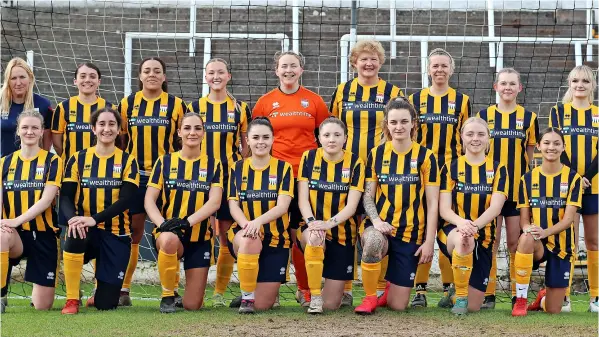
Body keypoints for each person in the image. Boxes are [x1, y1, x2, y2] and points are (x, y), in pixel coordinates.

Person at [252, 51, 329, 307]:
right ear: (276, 71)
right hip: (273, 177)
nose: (288, 70)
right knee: (271, 231)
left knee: (299, 234)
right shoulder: (265, 102)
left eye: (293, 66)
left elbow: (326, 138)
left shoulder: (314, 101)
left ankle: (305, 289)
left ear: (301, 70)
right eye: (283, 66)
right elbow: (255, 139)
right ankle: (266, 288)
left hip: (305, 178)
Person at [329, 40, 403, 306]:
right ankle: (347, 287)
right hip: (346, 170)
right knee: (347, 226)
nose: (368, 63)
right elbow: (333, 127)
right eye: (363, 59)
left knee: (380, 225)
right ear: (354, 62)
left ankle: (381, 287)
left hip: (381, 170)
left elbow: (400, 127)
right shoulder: (342, 91)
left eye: (373, 58)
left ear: (380, 62)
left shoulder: (393, 92)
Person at [354, 97, 439, 315]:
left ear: (413, 123)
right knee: (372, 240)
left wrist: (429, 242)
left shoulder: (426, 156)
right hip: (381, 227)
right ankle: (370, 297)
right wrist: (376, 221)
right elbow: (368, 196)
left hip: (411, 232)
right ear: (387, 125)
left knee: (398, 306)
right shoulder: (377, 153)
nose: (398, 127)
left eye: (403, 121)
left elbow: (432, 203)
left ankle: (388, 290)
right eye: (393, 122)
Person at [118, 57, 188, 306]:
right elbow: (123, 141)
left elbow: (183, 141)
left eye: (157, 71)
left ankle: (172, 290)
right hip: (137, 178)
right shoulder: (127, 104)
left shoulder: (177, 105)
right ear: (139, 76)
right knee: (134, 233)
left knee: (170, 232)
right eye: (147, 70)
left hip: (168, 180)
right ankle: (124, 289)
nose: (152, 74)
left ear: (164, 77)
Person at [60, 108, 140, 314]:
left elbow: (125, 200)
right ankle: (71, 299)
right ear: (93, 129)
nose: (107, 128)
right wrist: (73, 220)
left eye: (112, 124)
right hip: (87, 231)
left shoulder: (128, 161)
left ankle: (100, 292)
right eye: (102, 124)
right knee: (74, 232)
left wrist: (94, 219)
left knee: (106, 304)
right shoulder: (78, 159)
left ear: (119, 129)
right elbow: (66, 197)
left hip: (116, 233)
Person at [408, 48, 471, 308]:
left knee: (448, 230)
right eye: (435, 66)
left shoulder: (462, 100)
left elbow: (468, 138)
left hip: (451, 177)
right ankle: (420, 291)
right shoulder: (414, 98)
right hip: (421, 174)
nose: (439, 70)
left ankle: (449, 288)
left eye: (444, 66)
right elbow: (409, 137)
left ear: (451, 69)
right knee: (422, 229)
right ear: (428, 69)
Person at [187, 58, 251, 307]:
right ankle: (186, 291)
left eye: (220, 72)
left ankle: (218, 294)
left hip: (228, 179)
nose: (216, 76)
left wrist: (234, 168)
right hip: (198, 179)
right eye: (211, 72)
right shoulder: (194, 106)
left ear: (228, 76)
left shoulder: (240, 108)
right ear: (205, 77)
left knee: (224, 237)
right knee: (199, 232)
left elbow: (246, 147)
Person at [145, 112, 223, 313]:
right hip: (171, 235)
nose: (192, 132)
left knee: (192, 305)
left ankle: (184, 295)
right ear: (179, 132)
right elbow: (149, 200)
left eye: (197, 128)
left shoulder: (214, 164)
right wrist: (162, 225)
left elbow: (214, 202)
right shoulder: (164, 162)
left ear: (204, 133)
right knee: (169, 239)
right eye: (187, 128)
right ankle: (167, 295)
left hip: (199, 237)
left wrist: (187, 222)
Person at [477, 68, 539, 308]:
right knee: (490, 242)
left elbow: (529, 154)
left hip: (516, 193)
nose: (508, 88)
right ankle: (489, 294)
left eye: (512, 84)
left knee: (515, 243)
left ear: (519, 88)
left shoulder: (529, 117)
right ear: (496, 87)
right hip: (490, 191)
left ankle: (517, 294)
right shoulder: (484, 115)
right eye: (503, 83)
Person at [438, 117, 508, 315]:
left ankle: (454, 293)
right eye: (470, 134)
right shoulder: (450, 167)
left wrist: (474, 226)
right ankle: (460, 296)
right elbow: (444, 210)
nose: (475, 139)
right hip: (454, 231)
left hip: (484, 237)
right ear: (461, 138)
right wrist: (463, 225)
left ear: (488, 138)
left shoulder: (498, 169)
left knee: (474, 307)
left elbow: (496, 207)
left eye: (480, 134)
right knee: (464, 238)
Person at [297, 117, 365, 314]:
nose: (331, 139)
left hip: (342, 235)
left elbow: (352, 207)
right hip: (313, 228)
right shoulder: (308, 158)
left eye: (337, 135)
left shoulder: (355, 162)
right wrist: (313, 223)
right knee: (315, 238)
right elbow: (303, 200)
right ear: (319, 138)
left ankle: (331, 293)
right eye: (326, 135)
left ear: (345, 138)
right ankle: (315, 296)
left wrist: (328, 224)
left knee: (331, 305)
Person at [511, 127, 582, 316]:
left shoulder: (573, 178)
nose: (552, 147)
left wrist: (545, 232)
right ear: (539, 147)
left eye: (557, 143)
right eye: (547, 143)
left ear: (564, 147)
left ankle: (542, 299)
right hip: (538, 243)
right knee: (525, 237)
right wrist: (530, 229)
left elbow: (568, 219)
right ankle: (520, 300)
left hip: (562, 246)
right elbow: (524, 220)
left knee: (553, 310)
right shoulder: (527, 179)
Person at [226, 117, 294, 313]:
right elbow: (233, 205)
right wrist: (248, 225)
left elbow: (282, 206)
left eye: (266, 137)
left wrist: (258, 221)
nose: (261, 142)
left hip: (275, 239)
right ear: (247, 140)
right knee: (249, 238)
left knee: (263, 306)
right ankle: (247, 298)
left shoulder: (284, 168)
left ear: (273, 139)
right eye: (256, 137)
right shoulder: (237, 168)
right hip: (245, 234)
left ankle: (250, 291)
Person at [0, 110, 63, 313]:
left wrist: (15, 220)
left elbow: (46, 200)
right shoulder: (5, 162)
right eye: (25, 127)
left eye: (34, 127)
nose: (29, 131)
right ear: (18, 131)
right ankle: (0, 296)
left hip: (43, 234)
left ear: (42, 131)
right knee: (1, 236)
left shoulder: (53, 161)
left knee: (42, 307)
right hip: (14, 234)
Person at [549, 65, 598, 312]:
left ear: (592, 85)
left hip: (594, 185)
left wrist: (586, 177)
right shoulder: (557, 112)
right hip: (566, 184)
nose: (580, 85)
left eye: (585, 81)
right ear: (569, 83)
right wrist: (575, 177)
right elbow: (556, 147)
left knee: (593, 241)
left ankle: (595, 298)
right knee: (567, 240)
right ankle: (564, 296)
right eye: (575, 80)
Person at [52, 62, 116, 161]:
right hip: (70, 169)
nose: (87, 80)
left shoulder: (110, 108)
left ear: (99, 81)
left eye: (92, 76)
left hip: (102, 168)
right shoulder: (63, 107)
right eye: (82, 76)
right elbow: (57, 143)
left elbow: (117, 139)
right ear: (75, 81)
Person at [0, 57, 53, 157]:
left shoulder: (43, 105)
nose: (18, 83)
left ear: (30, 78)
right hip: (3, 167)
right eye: (13, 78)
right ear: (8, 80)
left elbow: (47, 139)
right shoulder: (1, 103)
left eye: (22, 77)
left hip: (33, 167)